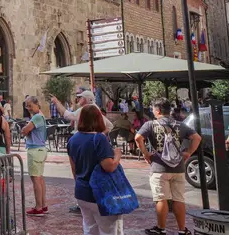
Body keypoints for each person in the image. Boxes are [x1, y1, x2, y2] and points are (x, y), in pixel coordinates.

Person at [135, 98, 201, 235]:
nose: (152, 111)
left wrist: (146, 154)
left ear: (158, 110)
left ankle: (161, 228)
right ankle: (182, 230)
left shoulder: (150, 125)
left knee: (161, 198)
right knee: (179, 199)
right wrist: (188, 153)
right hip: (178, 167)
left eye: (153, 109)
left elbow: (138, 138)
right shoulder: (180, 124)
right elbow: (197, 138)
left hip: (159, 167)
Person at [67, 105, 124, 235]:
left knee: (90, 229)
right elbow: (109, 166)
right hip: (100, 194)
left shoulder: (73, 140)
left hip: (82, 192)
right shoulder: (99, 139)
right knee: (108, 230)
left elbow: (74, 170)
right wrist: (117, 155)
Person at [22, 96, 48, 216]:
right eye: (27, 105)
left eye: (30, 105)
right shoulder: (40, 116)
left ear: (36, 104)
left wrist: (24, 129)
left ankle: (38, 207)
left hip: (35, 149)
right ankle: (43, 205)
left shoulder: (37, 117)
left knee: (36, 179)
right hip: (41, 149)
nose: (28, 107)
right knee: (40, 178)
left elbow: (25, 130)